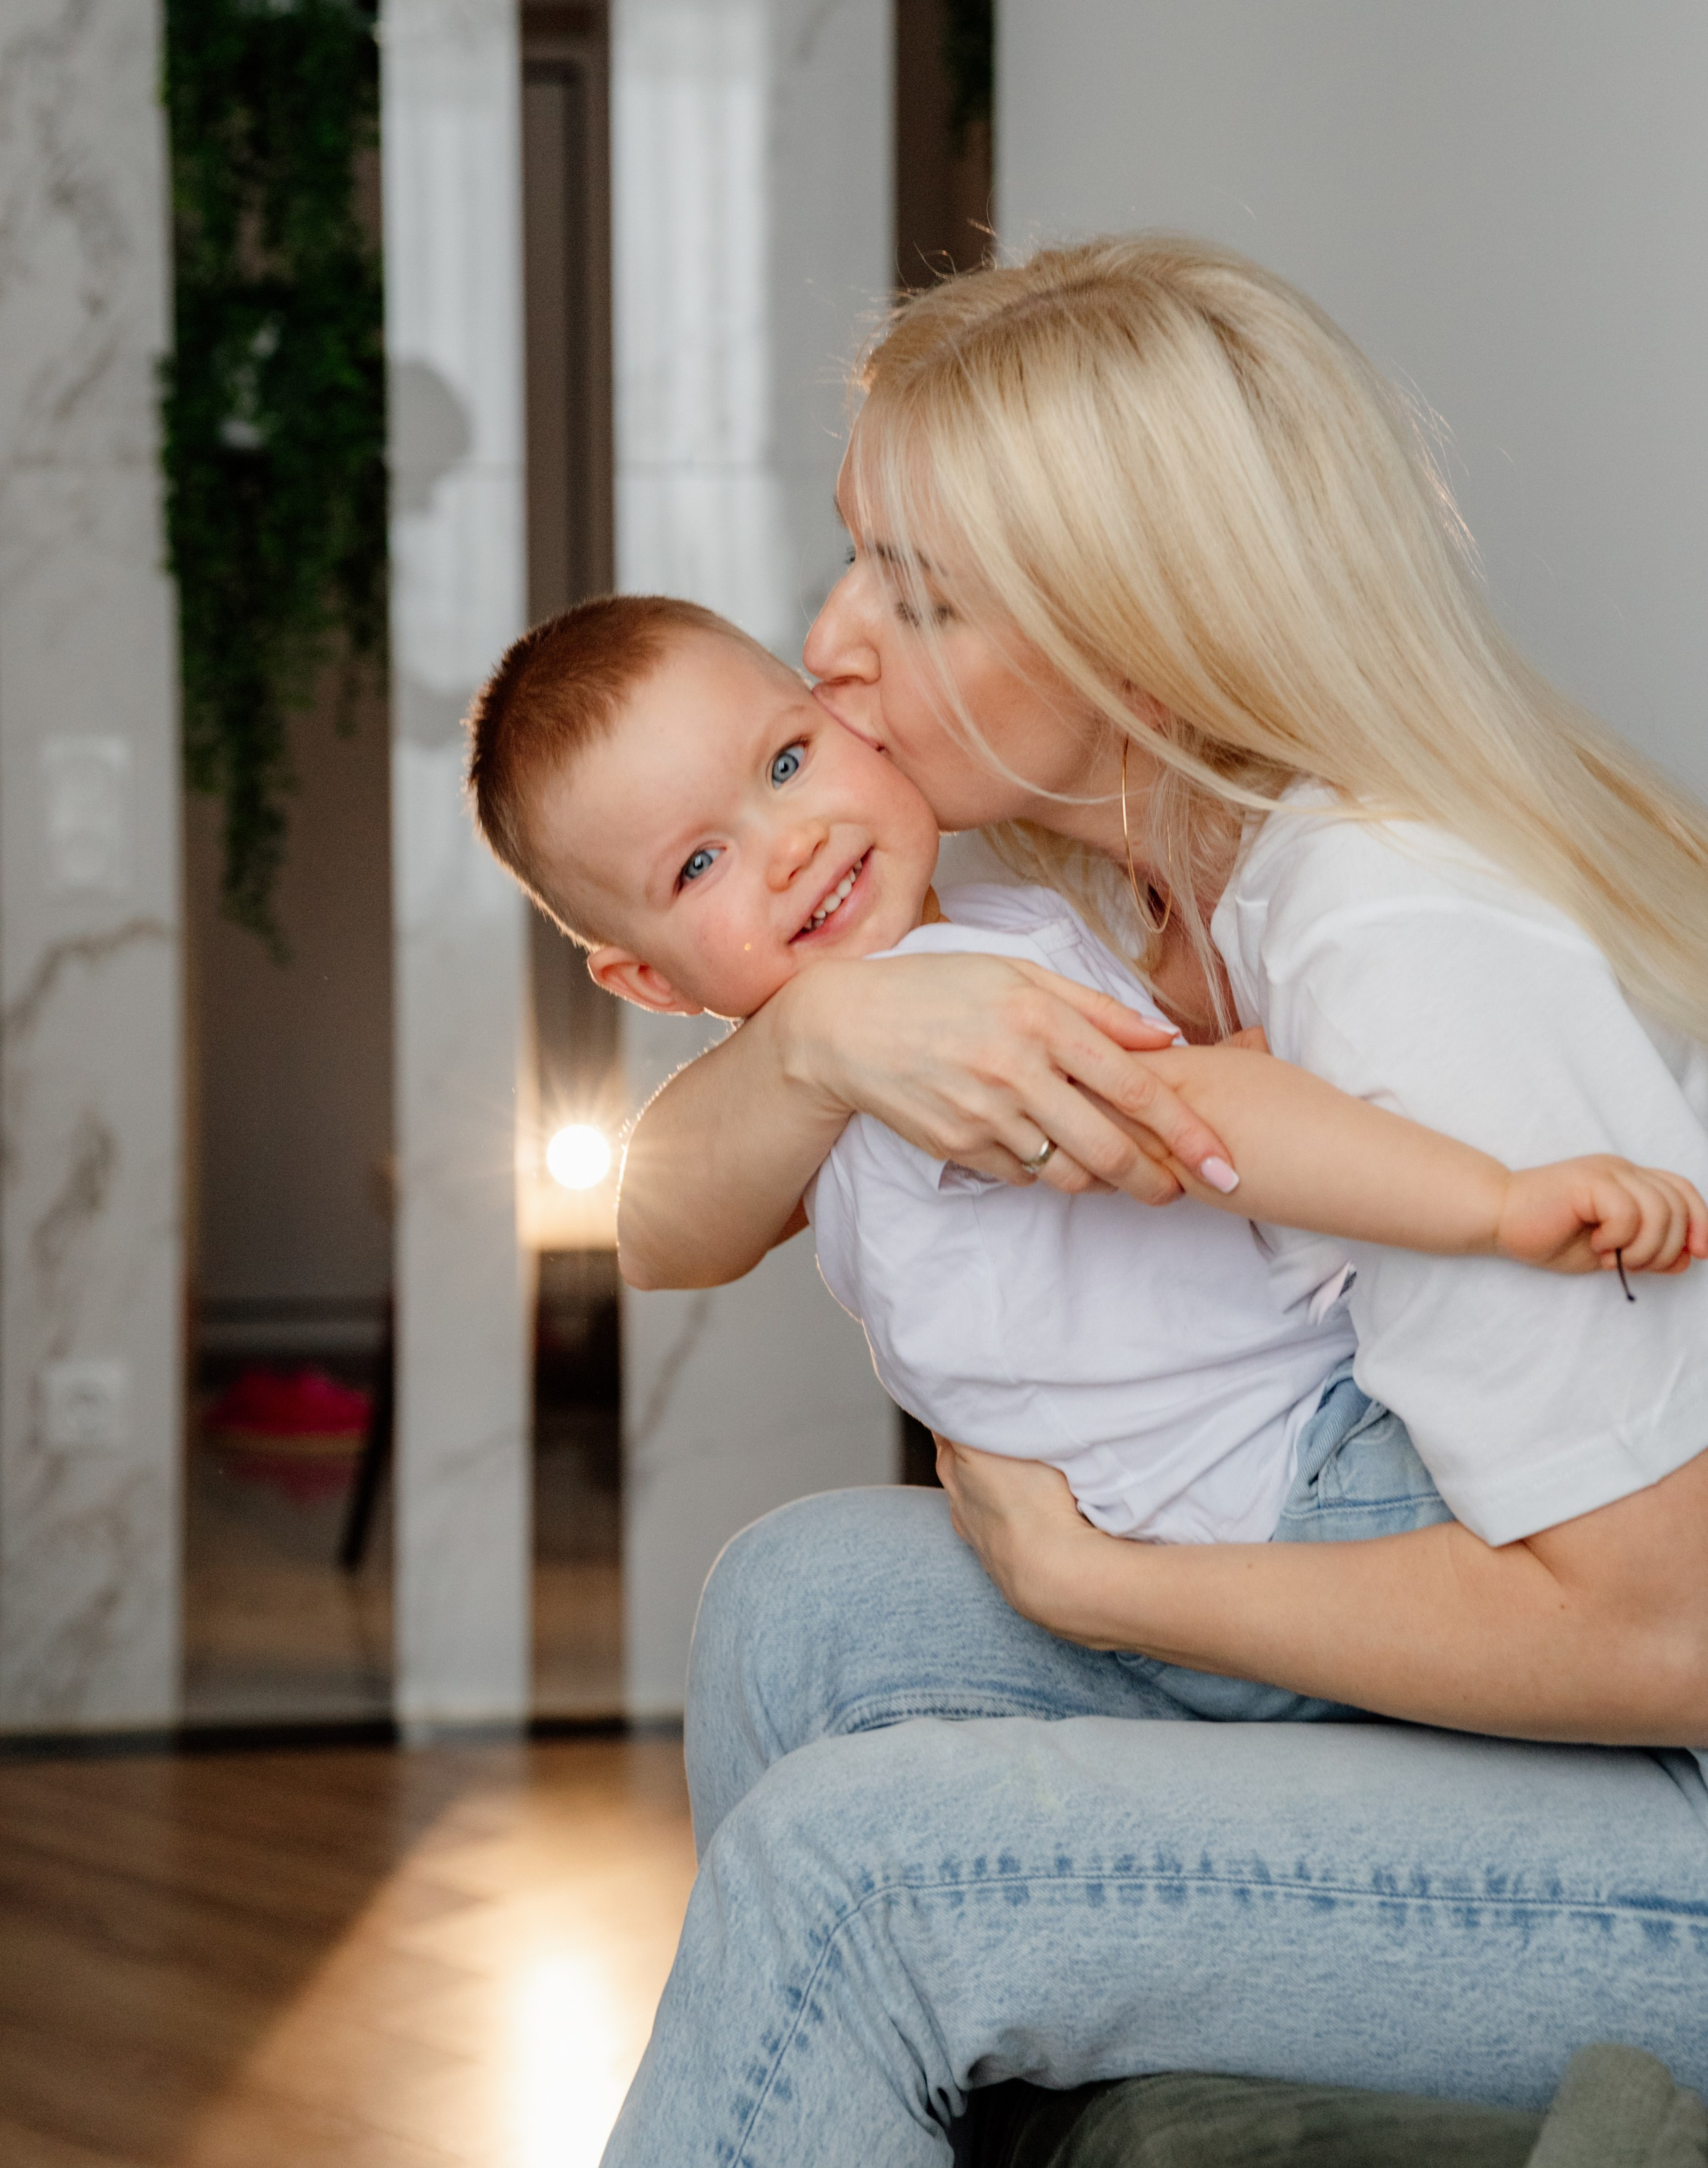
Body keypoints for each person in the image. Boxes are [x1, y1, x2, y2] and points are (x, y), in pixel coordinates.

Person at [574, 241, 1708, 2168]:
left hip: (1676, 1817)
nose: (828, 648)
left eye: (919, 597)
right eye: (851, 561)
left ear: (1139, 646)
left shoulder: (1390, 938)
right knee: (798, 1601)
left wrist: (1113, 1583)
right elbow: (656, 1220)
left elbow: (1663, 1632)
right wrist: (820, 1037)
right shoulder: (1072, 885)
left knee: (866, 1879)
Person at [468, 593, 1702, 1579]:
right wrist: (1496, 1198)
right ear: (648, 982)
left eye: (786, 763)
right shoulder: (926, 1027)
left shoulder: (957, 962)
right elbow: (1199, 1121)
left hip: (1206, 1498)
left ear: (842, 722)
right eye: (698, 862)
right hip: (1283, 1489)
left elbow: (1193, 1084)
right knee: (1610, 1507)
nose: (788, 843)